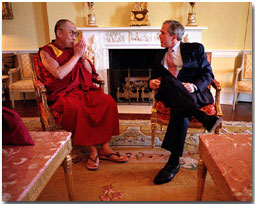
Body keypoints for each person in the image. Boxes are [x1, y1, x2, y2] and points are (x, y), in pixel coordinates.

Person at [38, 19, 128, 171]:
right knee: (77, 109)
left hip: (83, 90)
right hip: (63, 94)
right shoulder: (47, 52)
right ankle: (92, 149)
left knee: (108, 101)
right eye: (72, 33)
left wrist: (82, 57)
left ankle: (105, 147)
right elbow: (59, 74)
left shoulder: (73, 50)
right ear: (59, 33)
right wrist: (75, 56)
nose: (75, 37)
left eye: (76, 33)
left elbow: (88, 71)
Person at [149, 20, 222, 185]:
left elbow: (208, 74)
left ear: (174, 36)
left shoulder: (195, 49)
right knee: (168, 81)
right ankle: (202, 116)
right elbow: (152, 78)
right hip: (169, 92)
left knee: (180, 109)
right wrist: (151, 83)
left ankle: (173, 162)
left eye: (162, 33)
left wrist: (194, 86)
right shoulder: (158, 56)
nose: (159, 36)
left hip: (191, 94)